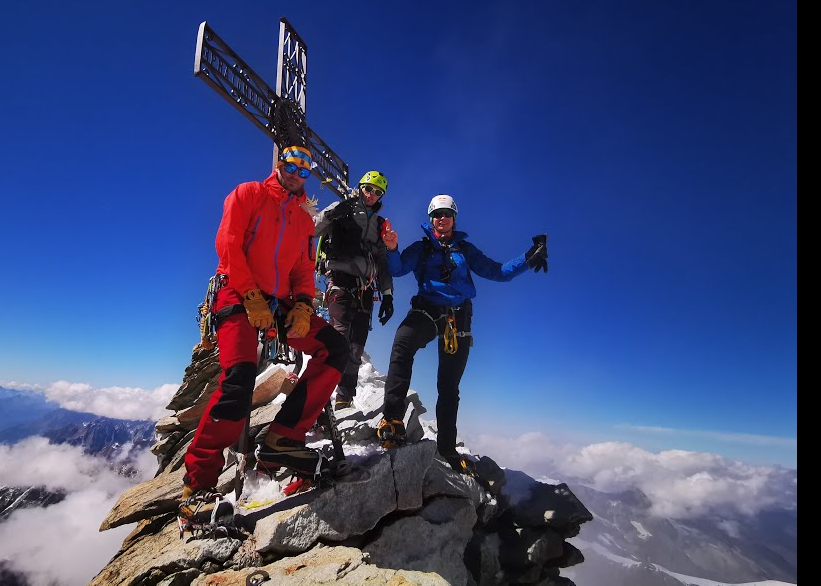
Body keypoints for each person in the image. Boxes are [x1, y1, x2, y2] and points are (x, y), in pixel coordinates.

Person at [179, 145, 351, 528]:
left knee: (334, 348)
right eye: (290, 164)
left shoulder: (305, 222)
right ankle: (198, 484)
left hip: (280, 302)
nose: (296, 172)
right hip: (235, 291)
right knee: (238, 378)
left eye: (304, 169)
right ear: (279, 165)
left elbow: (304, 270)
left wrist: (305, 305)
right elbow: (229, 244)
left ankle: (282, 439)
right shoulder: (248, 194)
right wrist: (251, 294)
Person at [376, 194, 548, 474]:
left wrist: (528, 259)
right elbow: (397, 269)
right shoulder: (422, 248)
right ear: (430, 219)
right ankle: (392, 420)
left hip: (458, 317)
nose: (441, 218)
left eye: (446, 213)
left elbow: (498, 271)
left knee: (448, 385)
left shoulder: (465, 250)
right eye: (436, 214)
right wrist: (392, 248)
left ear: (454, 217)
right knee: (403, 343)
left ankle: (447, 447)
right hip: (428, 309)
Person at [313, 170, 396, 410]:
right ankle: (319, 395)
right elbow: (311, 229)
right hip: (340, 281)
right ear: (360, 187)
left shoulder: (381, 224)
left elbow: (382, 262)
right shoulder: (341, 208)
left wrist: (388, 295)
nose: (371, 195)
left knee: (357, 346)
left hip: (366, 290)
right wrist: (330, 214)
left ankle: (344, 397)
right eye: (368, 189)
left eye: (377, 192)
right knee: (339, 340)